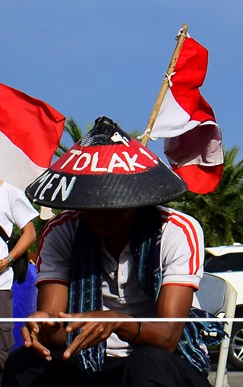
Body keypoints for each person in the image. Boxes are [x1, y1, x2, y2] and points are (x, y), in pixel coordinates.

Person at [6, 117, 213, 387]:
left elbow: (169, 336)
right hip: (87, 359)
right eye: (91, 203)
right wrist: (44, 326)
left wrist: (117, 322)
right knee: (22, 364)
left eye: (111, 204)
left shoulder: (175, 230)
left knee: (146, 364)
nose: (100, 213)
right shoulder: (62, 231)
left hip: (164, 360)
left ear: (136, 198)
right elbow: (57, 334)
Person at [0, 176, 39, 373]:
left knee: (1, 347)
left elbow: (30, 233)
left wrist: (8, 260)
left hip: (0, 286)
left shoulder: (10, 193)